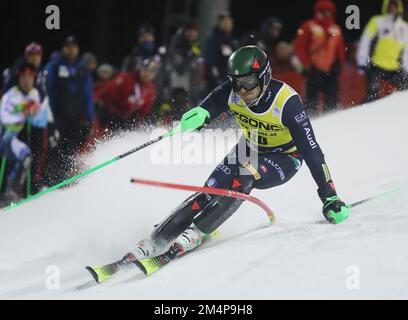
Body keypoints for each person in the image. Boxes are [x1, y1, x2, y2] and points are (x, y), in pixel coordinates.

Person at [106, 46, 350, 272]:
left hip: (285, 157)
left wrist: (329, 195)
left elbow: (312, 149)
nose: (243, 90)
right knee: (208, 191)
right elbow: (208, 107)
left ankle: (198, 232)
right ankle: (156, 239)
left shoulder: (286, 102)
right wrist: (198, 117)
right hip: (249, 148)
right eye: (236, 83)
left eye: (248, 82)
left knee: (245, 174)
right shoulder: (232, 92)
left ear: (264, 77)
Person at [44, 36, 95, 184]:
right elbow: (49, 91)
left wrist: (90, 119)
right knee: (54, 147)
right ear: (63, 48)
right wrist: (49, 116)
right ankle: (50, 180)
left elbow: (88, 95)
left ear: (77, 49)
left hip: (76, 117)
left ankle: (65, 180)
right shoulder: (55, 65)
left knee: (71, 148)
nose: (71, 49)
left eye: (74, 46)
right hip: (58, 116)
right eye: (68, 46)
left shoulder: (82, 68)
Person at [0, 63, 42, 205]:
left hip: (20, 135)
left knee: (26, 156)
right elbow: (4, 117)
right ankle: (5, 191)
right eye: (24, 77)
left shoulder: (34, 93)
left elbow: (37, 112)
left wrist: (32, 111)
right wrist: (23, 112)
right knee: (11, 156)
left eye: (30, 78)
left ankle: (15, 191)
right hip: (7, 135)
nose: (26, 81)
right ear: (19, 78)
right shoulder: (10, 95)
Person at [293, 0, 345, 114]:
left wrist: (338, 65)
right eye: (323, 11)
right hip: (314, 68)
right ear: (318, 11)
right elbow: (299, 47)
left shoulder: (336, 29)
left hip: (331, 69)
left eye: (329, 11)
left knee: (332, 97)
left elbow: (340, 49)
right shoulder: (309, 26)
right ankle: (310, 119)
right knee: (311, 97)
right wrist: (307, 65)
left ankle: (331, 118)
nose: (326, 13)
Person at [356, 0, 408, 102]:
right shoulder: (377, 21)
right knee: (372, 95)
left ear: (399, 7)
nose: (393, 8)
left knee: (405, 92)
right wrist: (362, 61)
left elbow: (407, 50)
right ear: (386, 7)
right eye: (390, 5)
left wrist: (406, 68)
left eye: (395, 6)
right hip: (376, 65)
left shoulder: (405, 27)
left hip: (395, 67)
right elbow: (365, 40)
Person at [97, 55, 160, 131]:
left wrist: (137, 125)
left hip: (128, 121)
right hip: (110, 117)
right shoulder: (126, 78)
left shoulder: (151, 88)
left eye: (151, 72)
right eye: (145, 70)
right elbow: (108, 93)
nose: (147, 74)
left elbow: (144, 110)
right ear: (140, 69)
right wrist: (112, 113)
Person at [167, 20, 205, 115]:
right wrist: (191, 54)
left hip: (194, 91)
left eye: (194, 31)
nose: (193, 34)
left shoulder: (196, 45)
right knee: (178, 118)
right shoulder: (178, 46)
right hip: (180, 92)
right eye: (190, 31)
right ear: (185, 32)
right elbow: (180, 69)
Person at [204, 12, 238, 90]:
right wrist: (217, 80)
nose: (228, 24)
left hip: (231, 82)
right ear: (219, 23)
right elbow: (210, 63)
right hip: (217, 83)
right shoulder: (213, 40)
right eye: (225, 21)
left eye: (230, 21)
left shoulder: (233, 41)